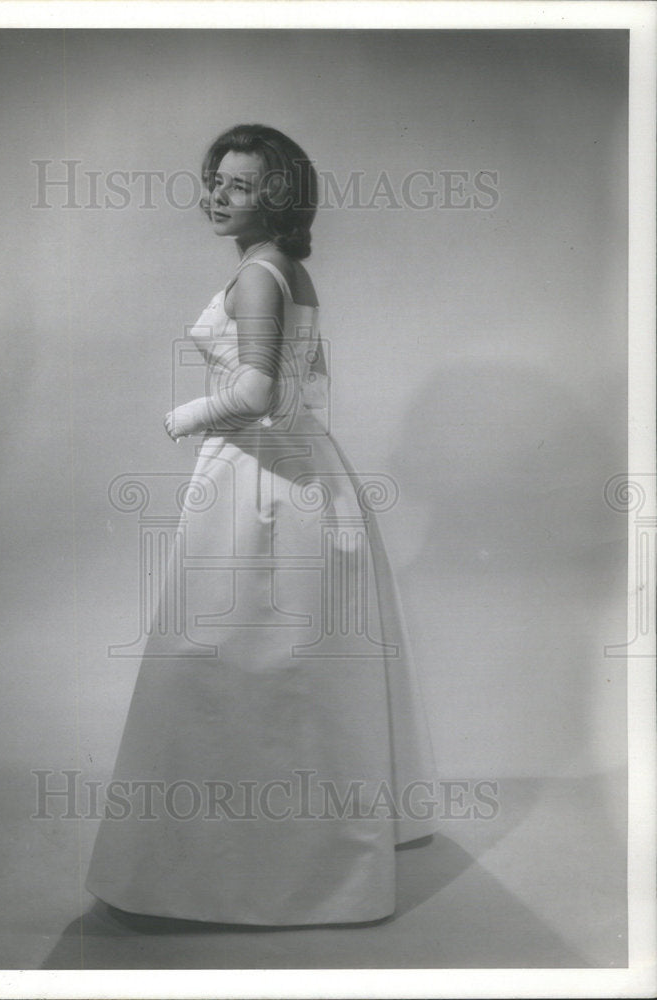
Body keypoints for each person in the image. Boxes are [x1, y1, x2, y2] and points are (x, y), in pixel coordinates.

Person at [86, 124, 436, 926]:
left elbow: (255, 390)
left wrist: (181, 416)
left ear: (274, 200)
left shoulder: (257, 275)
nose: (216, 195)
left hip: (264, 479)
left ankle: (236, 870)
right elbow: (303, 388)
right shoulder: (289, 269)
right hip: (305, 470)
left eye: (238, 186)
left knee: (228, 659)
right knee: (286, 667)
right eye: (215, 179)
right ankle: (298, 846)